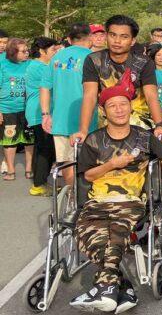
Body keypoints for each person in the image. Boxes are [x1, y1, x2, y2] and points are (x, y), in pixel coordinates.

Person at [69, 70, 162, 313]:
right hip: (98, 201)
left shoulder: (144, 137)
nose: (119, 110)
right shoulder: (94, 140)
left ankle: (106, 288)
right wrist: (112, 164)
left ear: (131, 107)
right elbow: (88, 176)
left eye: (123, 104)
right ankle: (121, 288)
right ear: (103, 111)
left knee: (117, 231)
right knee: (88, 235)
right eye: (112, 106)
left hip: (131, 201)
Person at [75, 15, 162, 146]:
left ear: (132, 40)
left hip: (141, 127)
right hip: (107, 127)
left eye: (124, 37)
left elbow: (151, 95)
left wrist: (160, 125)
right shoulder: (93, 60)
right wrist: (83, 130)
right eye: (113, 35)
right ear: (107, 36)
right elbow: (89, 96)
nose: (117, 41)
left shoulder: (144, 62)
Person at [41, 23, 94, 186]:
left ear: (69, 40)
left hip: (61, 119)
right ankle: (85, 195)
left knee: (66, 161)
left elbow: (45, 87)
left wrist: (45, 114)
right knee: (89, 162)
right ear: (90, 37)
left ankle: (71, 193)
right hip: (89, 120)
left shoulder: (56, 58)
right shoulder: (94, 57)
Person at [25, 37, 58, 195]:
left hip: (40, 112)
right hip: (40, 113)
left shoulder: (40, 65)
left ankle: (40, 182)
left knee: (43, 149)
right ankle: (38, 185)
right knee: (46, 149)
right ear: (41, 51)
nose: (55, 52)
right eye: (53, 50)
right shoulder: (39, 67)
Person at [0, 38, 33, 180]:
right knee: (9, 141)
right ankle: (11, 171)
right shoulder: (2, 64)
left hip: (27, 109)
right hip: (8, 109)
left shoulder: (30, 64)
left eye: (27, 50)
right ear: (13, 52)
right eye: (23, 51)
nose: (27, 53)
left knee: (29, 139)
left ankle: (29, 169)